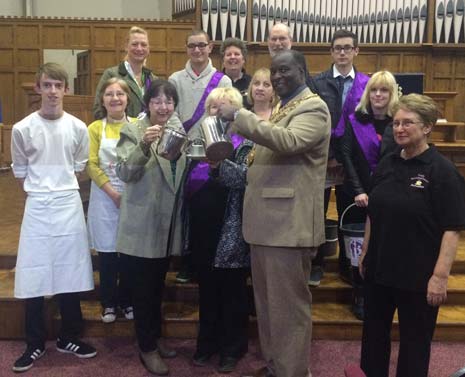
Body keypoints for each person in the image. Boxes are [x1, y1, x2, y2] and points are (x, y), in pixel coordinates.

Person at [218, 49, 331, 377]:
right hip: (268, 225)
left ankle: (293, 372)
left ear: (303, 70)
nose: (278, 77)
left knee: (289, 311)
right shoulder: (285, 106)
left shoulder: (314, 107)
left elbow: (289, 141)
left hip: (288, 226)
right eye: (274, 71)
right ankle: (277, 366)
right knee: (268, 310)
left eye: (286, 71)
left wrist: (241, 115)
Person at [359, 94, 465, 377]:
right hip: (379, 270)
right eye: (396, 123)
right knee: (373, 337)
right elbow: (374, 212)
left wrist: (440, 277)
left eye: (408, 123)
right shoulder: (387, 163)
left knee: (415, 344)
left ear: (428, 126)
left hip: (418, 277)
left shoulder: (443, 172)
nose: (399, 129)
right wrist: (366, 252)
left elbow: (452, 228)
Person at [11, 62, 96, 373]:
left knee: (69, 271)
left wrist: (58, 189)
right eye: (46, 85)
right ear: (38, 88)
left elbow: (77, 167)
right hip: (37, 204)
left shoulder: (77, 127)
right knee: (33, 273)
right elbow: (20, 172)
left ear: (66, 89)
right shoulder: (22, 129)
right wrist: (42, 192)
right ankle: (34, 343)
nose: (52, 91)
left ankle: (69, 337)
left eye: (57, 85)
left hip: (68, 202)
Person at [115, 80, 186, 376]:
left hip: (166, 226)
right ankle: (147, 348)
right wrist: (144, 144)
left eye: (168, 101)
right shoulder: (132, 130)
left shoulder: (179, 133)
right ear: (147, 104)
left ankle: (153, 339)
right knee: (143, 293)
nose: (163, 107)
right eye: (156, 101)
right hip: (141, 227)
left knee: (157, 290)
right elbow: (124, 172)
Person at [192, 87, 251, 374]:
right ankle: (207, 343)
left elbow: (246, 179)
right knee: (207, 290)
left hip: (232, 224)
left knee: (232, 292)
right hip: (205, 226)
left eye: (225, 106)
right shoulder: (198, 139)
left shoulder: (247, 141)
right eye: (213, 106)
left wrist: (218, 165)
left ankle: (232, 347)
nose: (219, 111)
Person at [169, 29, 232, 283]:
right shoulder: (175, 79)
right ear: (186, 48)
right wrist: (180, 140)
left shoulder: (223, 80)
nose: (197, 50)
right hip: (182, 153)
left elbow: (225, 115)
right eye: (192, 46)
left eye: (201, 45)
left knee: (208, 211)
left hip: (210, 155)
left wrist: (210, 145)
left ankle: (205, 259)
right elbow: (169, 111)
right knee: (183, 210)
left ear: (210, 47)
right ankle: (186, 259)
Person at [311, 29, 369, 291]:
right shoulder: (318, 82)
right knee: (316, 213)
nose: (343, 52)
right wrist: (329, 156)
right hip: (322, 160)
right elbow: (312, 122)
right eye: (338, 48)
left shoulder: (367, 85)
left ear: (356, 51)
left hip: (353, 164)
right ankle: (316, 262)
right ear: (331, 52)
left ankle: (349, 264)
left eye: (348, 48)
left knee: (351, 213)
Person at [339, 70, 399, 320]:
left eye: (384, 90)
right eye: (374, 90)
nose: (378, 95)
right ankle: (360, 294)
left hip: (389, 196)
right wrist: (360, 190)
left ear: (391, 94)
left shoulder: (399, 121)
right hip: (359, 193)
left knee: (385, 247)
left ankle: (382, 296)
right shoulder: (356, 120)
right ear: (367, 93)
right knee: (358, 249)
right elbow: (346, 155)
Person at [87, 78, 136, 324]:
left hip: (133, 198)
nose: (115, 98)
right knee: (107, 255)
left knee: (128, 254)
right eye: (109, 94)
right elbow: (92, 164)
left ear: (128, 98)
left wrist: (127, 194)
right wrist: (113, 193)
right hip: (105, 198)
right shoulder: (95, 128)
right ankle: (108, 303)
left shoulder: (138, 125)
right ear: (102, 100)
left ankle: (127, 301)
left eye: (120, 93)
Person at [93, 26, 157, 119]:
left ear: (148, 49)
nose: (139, 48)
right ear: (126, 47)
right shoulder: (112, 75)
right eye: (134, 44)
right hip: (120, 132)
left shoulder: (152, 79)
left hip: (148, 131)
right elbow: (98, 110)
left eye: (143, 45)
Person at [220, 37, 252, 106]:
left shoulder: (251, 82)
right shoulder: (216, 81)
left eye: (236, 54)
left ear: (243, 59)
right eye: (228, 54)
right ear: (223, 61)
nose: (232, 57)